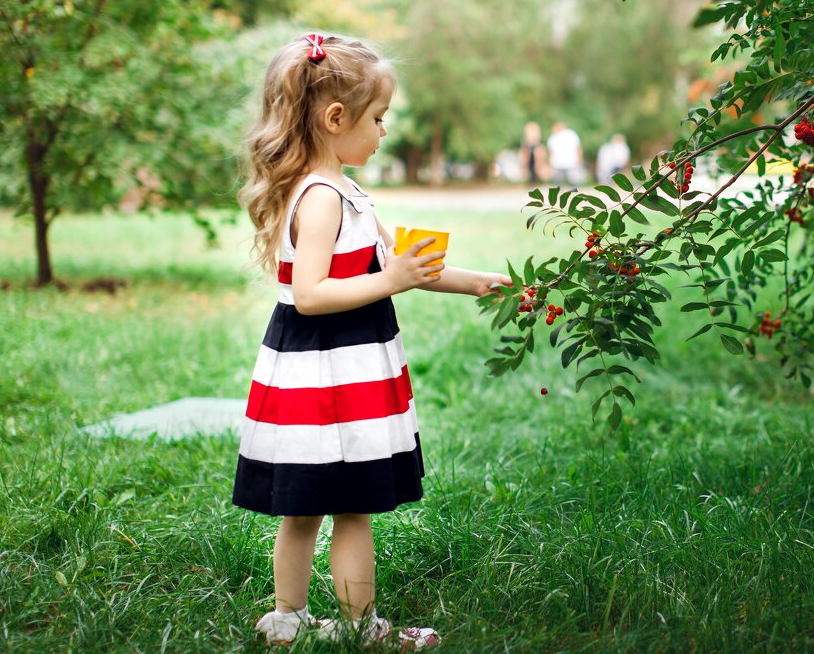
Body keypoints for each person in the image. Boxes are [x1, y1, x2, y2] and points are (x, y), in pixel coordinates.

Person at [232, 32, 510, 648]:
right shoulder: (324, 196)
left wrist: (479, 284)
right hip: (327, 370)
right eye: (378, 119)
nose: (384, 132)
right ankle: (356, 629)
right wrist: (393, 279)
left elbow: (403, 262)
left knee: (308, 505)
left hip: (330, 367)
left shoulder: (345, 191)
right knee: (344, 504)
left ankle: (289, 622)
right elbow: (310, 293)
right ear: (336, 119)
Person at [546, 121, 583, 187]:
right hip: (560, 163)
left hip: (569, 162)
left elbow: (578, 148)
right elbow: (551, 151)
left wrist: (579, 159)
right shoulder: (553, 136)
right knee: (559, 183)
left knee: (572, 182)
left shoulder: (571, 134)